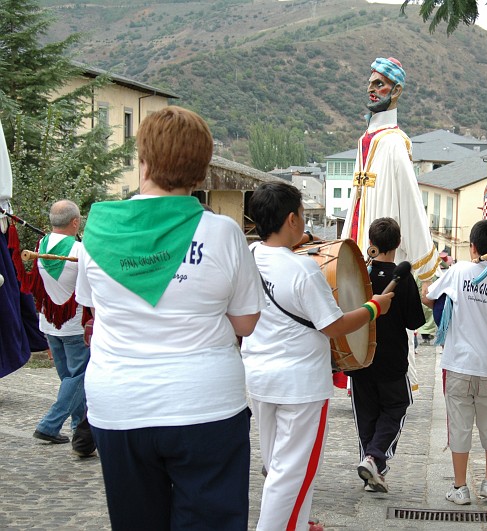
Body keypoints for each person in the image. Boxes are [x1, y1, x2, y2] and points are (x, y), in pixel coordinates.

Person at [75, 106, 265, 530]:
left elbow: (90, 305)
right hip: (206, 403)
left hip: (119, 404)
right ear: (201, 173)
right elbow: (246, 323)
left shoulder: (98, 230)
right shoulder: (223, 233)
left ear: (143, 160)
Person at [243, 181, 394, 530]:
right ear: (293, 219)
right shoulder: (302, 269)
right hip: (301, 386)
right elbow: (335, 325)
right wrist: (374, 308)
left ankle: (295, 522)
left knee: (276, 465)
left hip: (259, 377)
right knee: (293, 472)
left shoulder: (249, 256)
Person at [342, 57, 440, 392]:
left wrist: (426, 270)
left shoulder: (395, 142)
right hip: (358, 241)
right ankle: (358, 373)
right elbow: (356, 198)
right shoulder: (365, 139)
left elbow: (410, 201)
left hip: (381, 245)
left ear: (396, 90)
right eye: (370, 83)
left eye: (380, 83)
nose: (372, 89)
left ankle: (396, 377)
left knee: (385, 318)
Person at [423, 220, 487, 505]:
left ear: (473, 247)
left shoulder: (458, 271)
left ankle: (459, 487)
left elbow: (428, 297)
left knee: (459, 425)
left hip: (459, 365)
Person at [345, 217, 424, 493]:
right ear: (398, 243)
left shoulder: (357, 274)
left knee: (366, 417)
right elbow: (415, 322)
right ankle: (374, 458)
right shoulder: (403, 278)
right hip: (391, 359)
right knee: (395, 407)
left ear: (370, 243)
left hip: (359, 358)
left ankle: (372, 470)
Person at [31, 200, 92, 453]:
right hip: (74, 326)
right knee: (79, 379)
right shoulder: (80, 250)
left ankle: (80, 433)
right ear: (75, 222)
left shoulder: (40, 246)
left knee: (69, 380)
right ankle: (49, 425)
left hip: (49, 324)